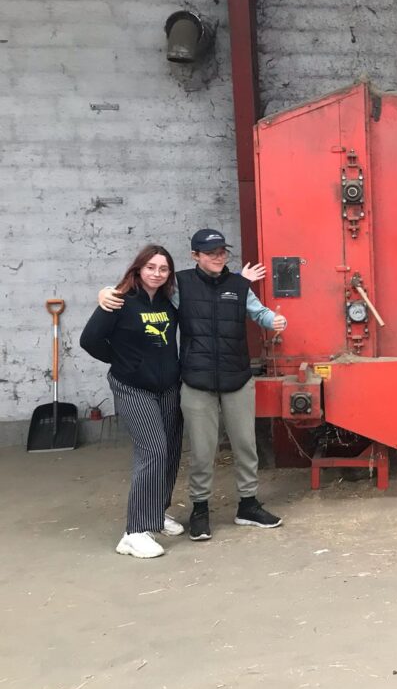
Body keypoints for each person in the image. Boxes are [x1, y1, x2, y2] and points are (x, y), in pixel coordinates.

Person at [99, 228, 288, 542]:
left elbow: (259, 312)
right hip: (196, 381)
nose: (218, 256)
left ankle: (248, 505)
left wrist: (274, 320)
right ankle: (200, 509)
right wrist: (107, 291)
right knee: (202, 450)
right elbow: (143, 290)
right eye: (210, 252)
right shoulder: (179, 285)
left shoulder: (238, 285)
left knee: (245, 445)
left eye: (222, 251)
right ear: (195, 256)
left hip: (237, 378)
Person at [81, 245, 184, 558]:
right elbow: (89, 340)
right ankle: (135, 532)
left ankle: (156, 514)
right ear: (138, 268)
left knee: (170, 450)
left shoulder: (169, 301)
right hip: (133, 387)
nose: (157, 273)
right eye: (150, 267)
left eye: (163, 268)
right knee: (152, 450)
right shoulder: (119, 300)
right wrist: (124, 361)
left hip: (167, 387)